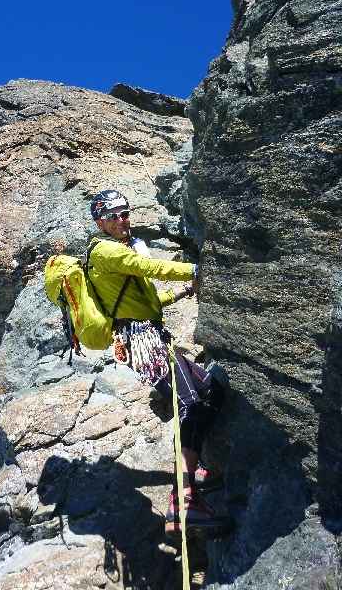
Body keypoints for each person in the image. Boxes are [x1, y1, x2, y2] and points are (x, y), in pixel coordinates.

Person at [88, 189, 235, 538]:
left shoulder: (119, 248)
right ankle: (182, 503)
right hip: (143, 342)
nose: (122, 219)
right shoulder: (104, 251)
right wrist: (196, 269)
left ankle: (192, 468)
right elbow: (148, 266)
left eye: (125, 212)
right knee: (191, 402)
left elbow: (149, 303)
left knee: (210, 391)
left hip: (151, 333)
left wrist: (184, 291)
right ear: (100, 222)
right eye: (113, 215)